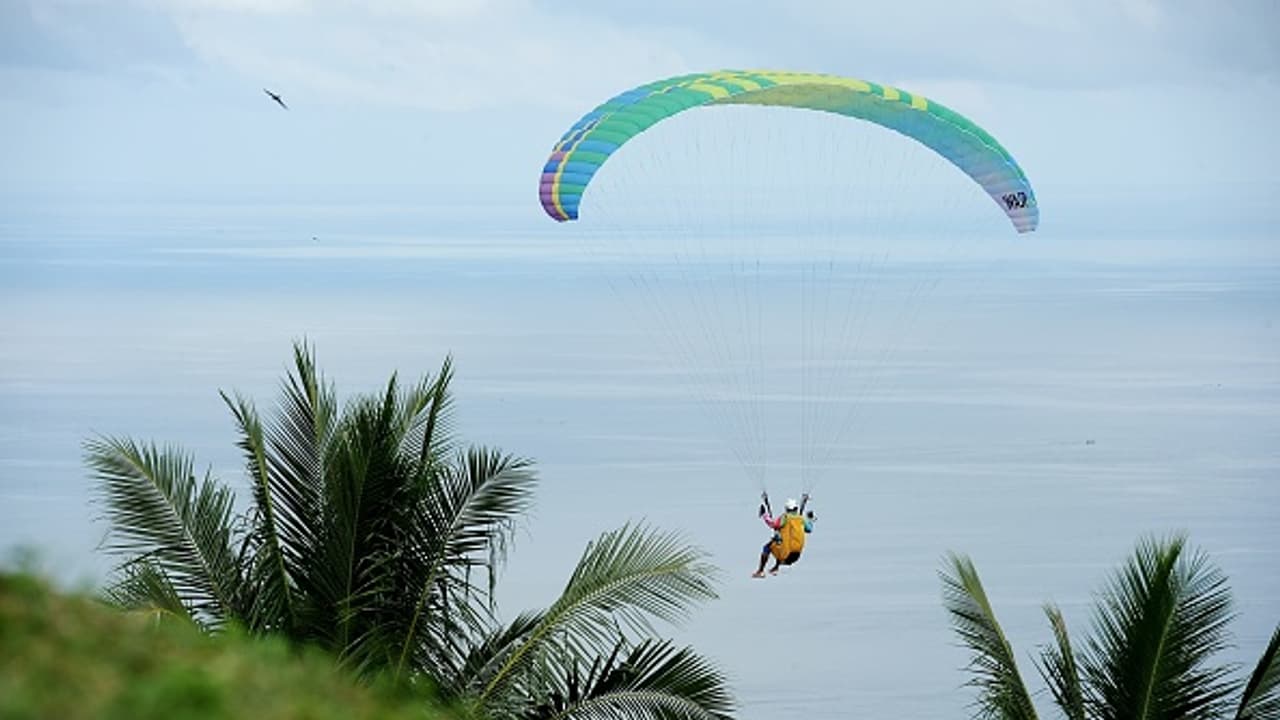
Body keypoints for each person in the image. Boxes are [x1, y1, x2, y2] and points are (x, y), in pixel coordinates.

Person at [751, 493, 814, 578]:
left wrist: (764, 515)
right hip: (796, 556)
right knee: (779, 541)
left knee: (767, 547)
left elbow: (773, 524)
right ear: (796, 508)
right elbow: (809, 529)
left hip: (785, 554)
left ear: (787, 509)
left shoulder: (785, 517)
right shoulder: (801, 519)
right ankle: (775, 568)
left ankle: (760, 571)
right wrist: (810, 519)